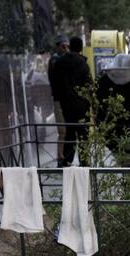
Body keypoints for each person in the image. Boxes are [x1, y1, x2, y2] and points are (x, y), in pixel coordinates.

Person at [48, 36, 90, 166]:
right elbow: (88, 85)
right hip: (82, 105)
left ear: (70, 46)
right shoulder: (83, 64)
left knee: (70, 133)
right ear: (81, 48)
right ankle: (84, 161)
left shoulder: (59, 63)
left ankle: (66, 160)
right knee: (83, 134)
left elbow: (55, 82)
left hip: (66, 104)